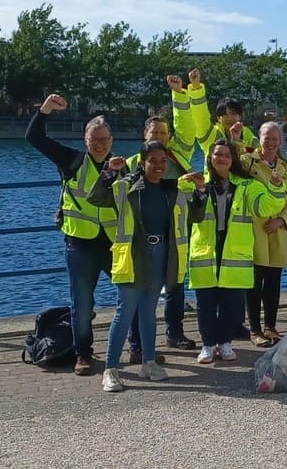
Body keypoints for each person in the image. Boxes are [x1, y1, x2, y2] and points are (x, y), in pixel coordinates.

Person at [24, 93, 117, 376]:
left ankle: (138, 347)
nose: (100, 145)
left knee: (132, 295)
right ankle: (83, 355)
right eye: (94, 140)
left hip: (114, 244)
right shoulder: (72, 161)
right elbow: (34, 138)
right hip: (80, 244)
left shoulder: (123, 165)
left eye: (104, 139)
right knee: (82, 302)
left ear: (111, 140)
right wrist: (46, 109)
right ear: (86, 142)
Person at [88, 142, 187, 392]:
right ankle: (110, 369)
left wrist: (199, 189)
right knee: (125, 312)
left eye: (163, 161)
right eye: (153, 160)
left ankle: (148, 362)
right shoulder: (127, 187)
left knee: (149, 311)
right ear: (142, 162)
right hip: (134, 254)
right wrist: (109, 172)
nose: (159, 166)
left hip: (161, 251)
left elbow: (195, 210)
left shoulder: (170, 189)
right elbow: (95, 197)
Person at [185, 139, 287, 363]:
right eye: (217, 154)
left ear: (233, 160)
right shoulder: (199, 182)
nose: (221, 158)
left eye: (226, 155)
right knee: (206, 304)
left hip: (234, 254)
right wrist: (199, 189)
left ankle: (225, 342)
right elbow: (189, 212)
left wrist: (277, 186)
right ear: (210, 159)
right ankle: (208, 344)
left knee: (231, 305)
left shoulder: (246, 186)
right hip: (206, 252)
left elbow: (267, 207)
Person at [122, 111, 197, 357]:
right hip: (142, 237)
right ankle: (136, 345)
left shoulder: (174, 160)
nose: (159, 136)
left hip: (174, 234)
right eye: (155, 132)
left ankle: (174, 333)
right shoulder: (131, 163)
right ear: (144, 134)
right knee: (139, 290)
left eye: (164, 133)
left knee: (175, 287)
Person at [239, 122, 287, 345]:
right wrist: (236, 139)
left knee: (274, 282)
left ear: (280, 141)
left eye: (275, 138)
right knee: (254, 283)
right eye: (267, 137)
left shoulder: (286, 168)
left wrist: (282, 220)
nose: (271, 142)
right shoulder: (248, 162)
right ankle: (255, 330)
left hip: (277, 231)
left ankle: (271, 326)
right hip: (255, 229)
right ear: (259, 137)